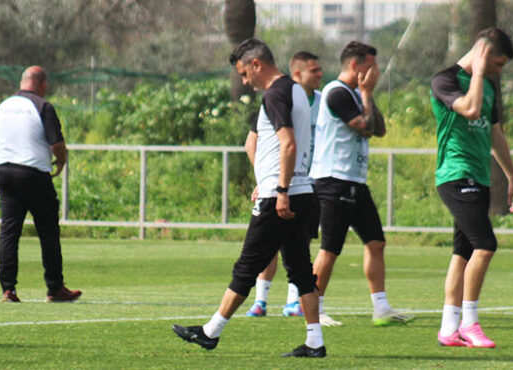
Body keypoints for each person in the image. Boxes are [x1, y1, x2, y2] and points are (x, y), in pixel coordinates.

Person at [172, 39, 326, 358]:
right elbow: (263, 144)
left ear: (257, 65)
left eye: (244, 73)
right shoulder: (296, 90)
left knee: (247, 266)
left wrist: (279, 189)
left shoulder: (275, 94)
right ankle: (315, 342)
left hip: (280, 196)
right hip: (302, 192)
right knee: (299, 268)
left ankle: (210, 332)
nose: (245, 81)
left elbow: (289, 145)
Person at [309, 41, 413, 327]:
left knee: (376, 242)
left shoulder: (356, 94)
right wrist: (365, 93)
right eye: (371, 67)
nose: (376, 72)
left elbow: (378, 129)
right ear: (355, 66)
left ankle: (381, 308)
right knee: (330, 249)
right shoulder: (336, 92)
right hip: (334, 181)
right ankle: (313, 309)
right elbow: (364, 128)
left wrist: (367, 94)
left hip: (354, 180)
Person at [429, 28, 513, 348]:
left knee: (463, 252)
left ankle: (448, 328)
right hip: (456, 175)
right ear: (482, 52)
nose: (498, 71)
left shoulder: (490, 87)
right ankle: (470, 322)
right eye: (496, 63)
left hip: (480, 178)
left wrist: (511, 177)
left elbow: (496, 135)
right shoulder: (445, 80)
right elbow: (469, 109)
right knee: (485, 244)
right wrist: (480, 74)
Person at [0, 66, 82, 303]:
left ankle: (8, 289)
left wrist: (0, 163)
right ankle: (55, 288)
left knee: (9, 231)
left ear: (22, 82)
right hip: (35, 173)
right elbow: (56, 143)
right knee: (48, 231)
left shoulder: (2, 106)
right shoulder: (42, 106)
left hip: (6, 173)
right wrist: (62, 162)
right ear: (43, 85)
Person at [245, 51, 323, 318]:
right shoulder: (278, 97)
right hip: (283, 186)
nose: (320, 75)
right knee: (267, 250)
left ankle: (293, 304)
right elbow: (252, 142)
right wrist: (268, 180)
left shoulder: (322, 102)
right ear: (297, 74)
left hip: (306, 184)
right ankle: (260, 300)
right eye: (314, 70)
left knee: (298, 253)